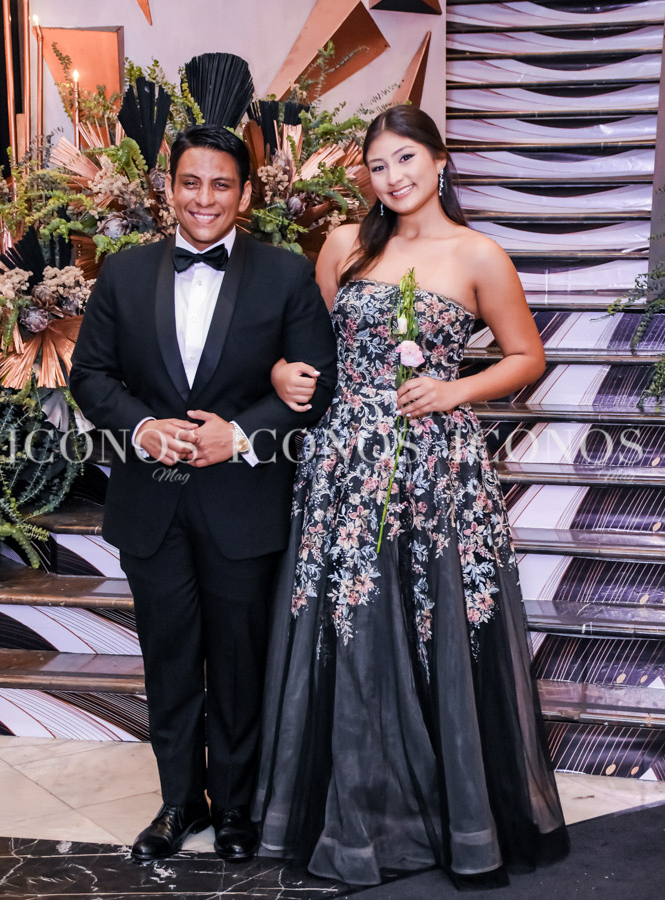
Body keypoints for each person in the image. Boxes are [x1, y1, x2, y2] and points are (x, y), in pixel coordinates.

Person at [254, 105, 570, 889]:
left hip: (437, 469)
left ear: (439, 160)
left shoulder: (478, 254)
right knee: (353, 631)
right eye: (377, 165)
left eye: (405, 159)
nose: (392, 177)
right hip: (345, 469)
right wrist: (281, 373)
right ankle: (357, 815)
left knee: (435, 630)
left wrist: (454, 388)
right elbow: (309, 350)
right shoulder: (343, 247)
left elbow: (526, 356)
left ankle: (453, 815)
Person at [69, 124, 337, 863]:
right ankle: (179, 802)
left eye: (222, 184)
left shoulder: (286, 273)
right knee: (170, 660)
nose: (205, 198)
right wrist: (142, 426)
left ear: (245, 194)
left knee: (241, 662)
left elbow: (319, 382)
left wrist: (242, 434)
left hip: (243, 504)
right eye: (191, 182)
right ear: (169, 188)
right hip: (150, 506)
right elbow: (89, 375)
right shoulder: (123, 272)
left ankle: (239, 807)